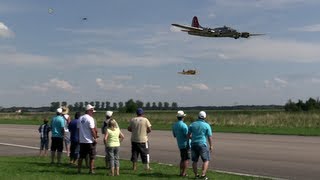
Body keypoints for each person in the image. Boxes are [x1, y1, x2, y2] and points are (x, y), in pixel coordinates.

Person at [188, 111, 213, 180]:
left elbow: (188, 135)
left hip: (193, 144)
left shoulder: (192, 124)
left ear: (198, 116)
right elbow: (209, 137)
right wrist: (211, 145)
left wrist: (193, 138)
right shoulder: (207, 125)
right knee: (206, 160)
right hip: (202, 144)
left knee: (194, 161)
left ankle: (196, 175)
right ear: (205, 117)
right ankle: (203, 175)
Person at [77, 104, 98, 174]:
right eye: (91, 110)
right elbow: (92, 130)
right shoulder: (90, 118)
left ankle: (79, 170)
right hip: (89, 141)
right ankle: (91, 170)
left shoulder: (80, 118)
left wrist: (79, 138)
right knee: (92, 156)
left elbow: (78, 129)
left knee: (81, 156)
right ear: (88, 111)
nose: (92, 112)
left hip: (82, 140)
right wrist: (95, 138)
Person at [172, 110, 190, 177]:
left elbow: (174, 135)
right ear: (183, 117)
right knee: (186, 159)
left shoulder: (174, 125)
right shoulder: (184, 125)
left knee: (182, 158)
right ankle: (184, 173)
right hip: (186, 144)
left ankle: (181, 172)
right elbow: (187, 135)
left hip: (180, 144)